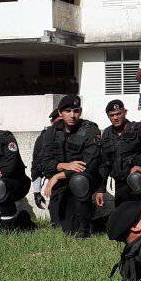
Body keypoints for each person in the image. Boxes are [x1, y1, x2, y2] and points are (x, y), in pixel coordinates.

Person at [42, 95, 102, 239]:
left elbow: (90, 164)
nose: (72, 115)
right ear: (60, 113)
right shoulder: (51, 133)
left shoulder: (90, 129)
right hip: (62, 185)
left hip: (85, 179)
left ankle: (85, 230)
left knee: (78, 180)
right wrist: (63, 165)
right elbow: (44, 162)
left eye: (76, 111)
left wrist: (59, 175)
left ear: (80, 112)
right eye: (68, 111)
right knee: (63, 228)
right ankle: (94, 221)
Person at [99, 99, 141, 210]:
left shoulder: (137, 128)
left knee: (135, 180)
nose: (115, 118)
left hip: (138, 177)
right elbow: (105, 163)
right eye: (112, 115)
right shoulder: (106, 134)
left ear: (125, 112)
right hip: (120, 180)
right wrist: (100, 189)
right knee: (122, 215)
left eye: (118, 114)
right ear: (108, 116)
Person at [30, 109, 61, 217]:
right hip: (55, 183)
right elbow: (37, 166)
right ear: (52, 123)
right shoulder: (43, 139)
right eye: (59, 122)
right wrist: (37, 192)